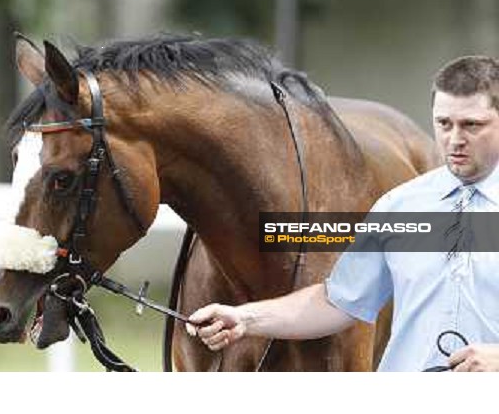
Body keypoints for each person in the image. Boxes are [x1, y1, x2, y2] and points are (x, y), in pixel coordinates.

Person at [188, 55, 499, 372]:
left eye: (472, 125)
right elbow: (338, 300)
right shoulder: (401, 205)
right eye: (444, 124)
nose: (455, 139)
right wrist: (244, 318)